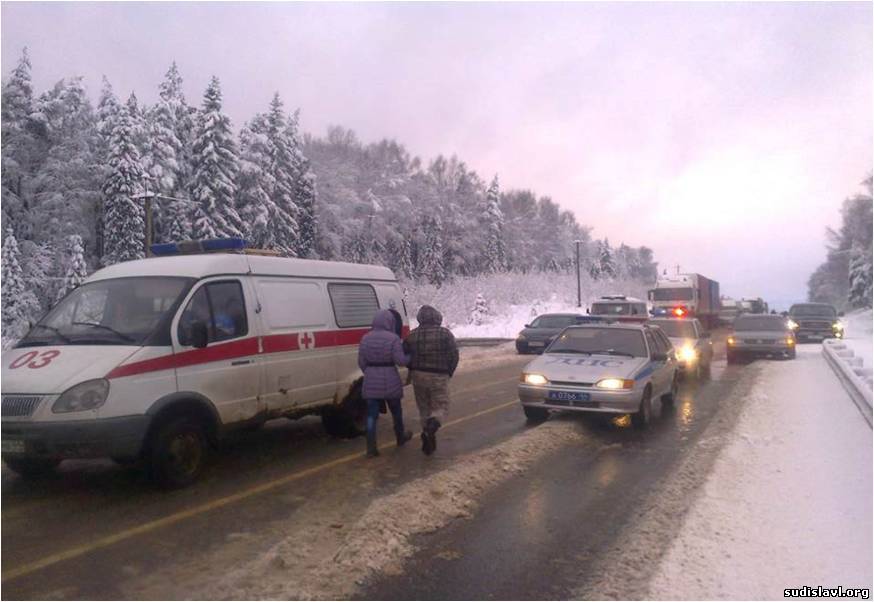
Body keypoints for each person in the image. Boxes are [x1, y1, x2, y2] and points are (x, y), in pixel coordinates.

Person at [403, 305, 459, 456]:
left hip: (418, 375)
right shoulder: (445, 333)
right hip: (439, 375)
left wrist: (413, 368)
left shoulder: (411, 335)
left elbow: (405, 355)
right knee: (441, 406)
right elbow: (454, 354)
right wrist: (449, 371)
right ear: (437, 317)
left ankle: (429, 441)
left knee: (424, 408)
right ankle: (431, 429)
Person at [358, 309, 412, 458]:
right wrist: (410, 357)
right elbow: (400, 361)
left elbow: (361, 362)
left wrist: (370, 372)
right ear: (390, 322)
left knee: (371, 416)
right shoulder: (393, 338)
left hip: (371, 379)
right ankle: (400, 437)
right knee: (396, 411)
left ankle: (371, 448)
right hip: (390, 379)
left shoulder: (365, 338)